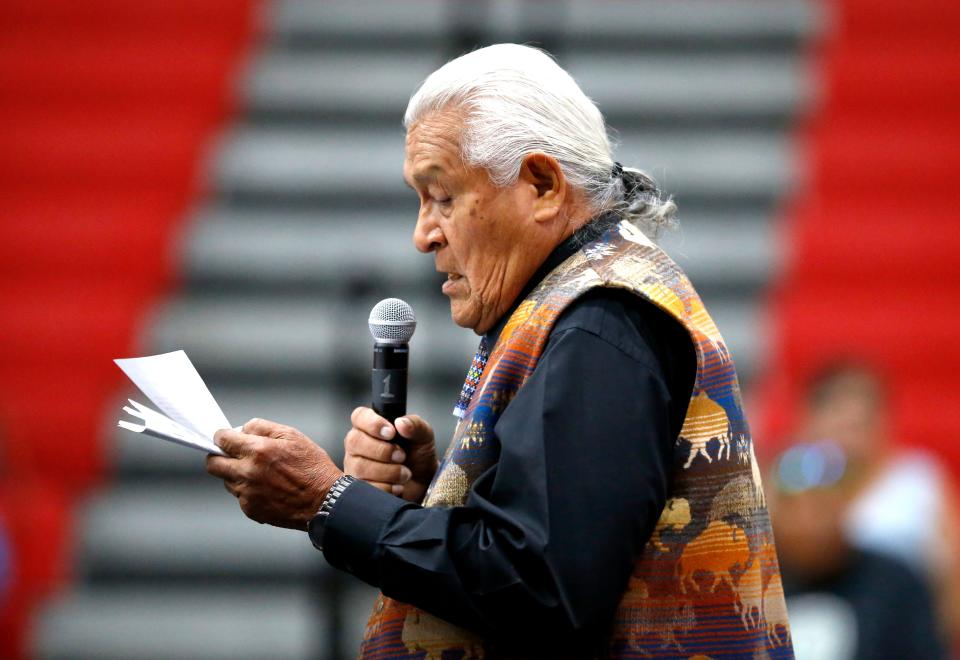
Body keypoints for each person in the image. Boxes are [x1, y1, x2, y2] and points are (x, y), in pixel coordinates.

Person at [205, 44, 794, 658]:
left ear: (541, 185)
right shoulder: (590, 297)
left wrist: (330, 503)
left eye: (443, 197)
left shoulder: (600, 322)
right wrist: (436, 495)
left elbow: (543, 589)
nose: (422, 234)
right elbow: (559, 548)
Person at [796, 362, 960, 647]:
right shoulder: (794, 480)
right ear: (813, 419)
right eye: (840, 421)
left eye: (861, 422)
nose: (850, 436)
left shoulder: (919, 479)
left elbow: (954, 572)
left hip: (901, 633)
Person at [769, 441, 947, 659]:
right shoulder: (745, 593)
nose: (811, 522)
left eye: (822, 505)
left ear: (847, 508)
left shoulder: (894, 583)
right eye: (796, 508)